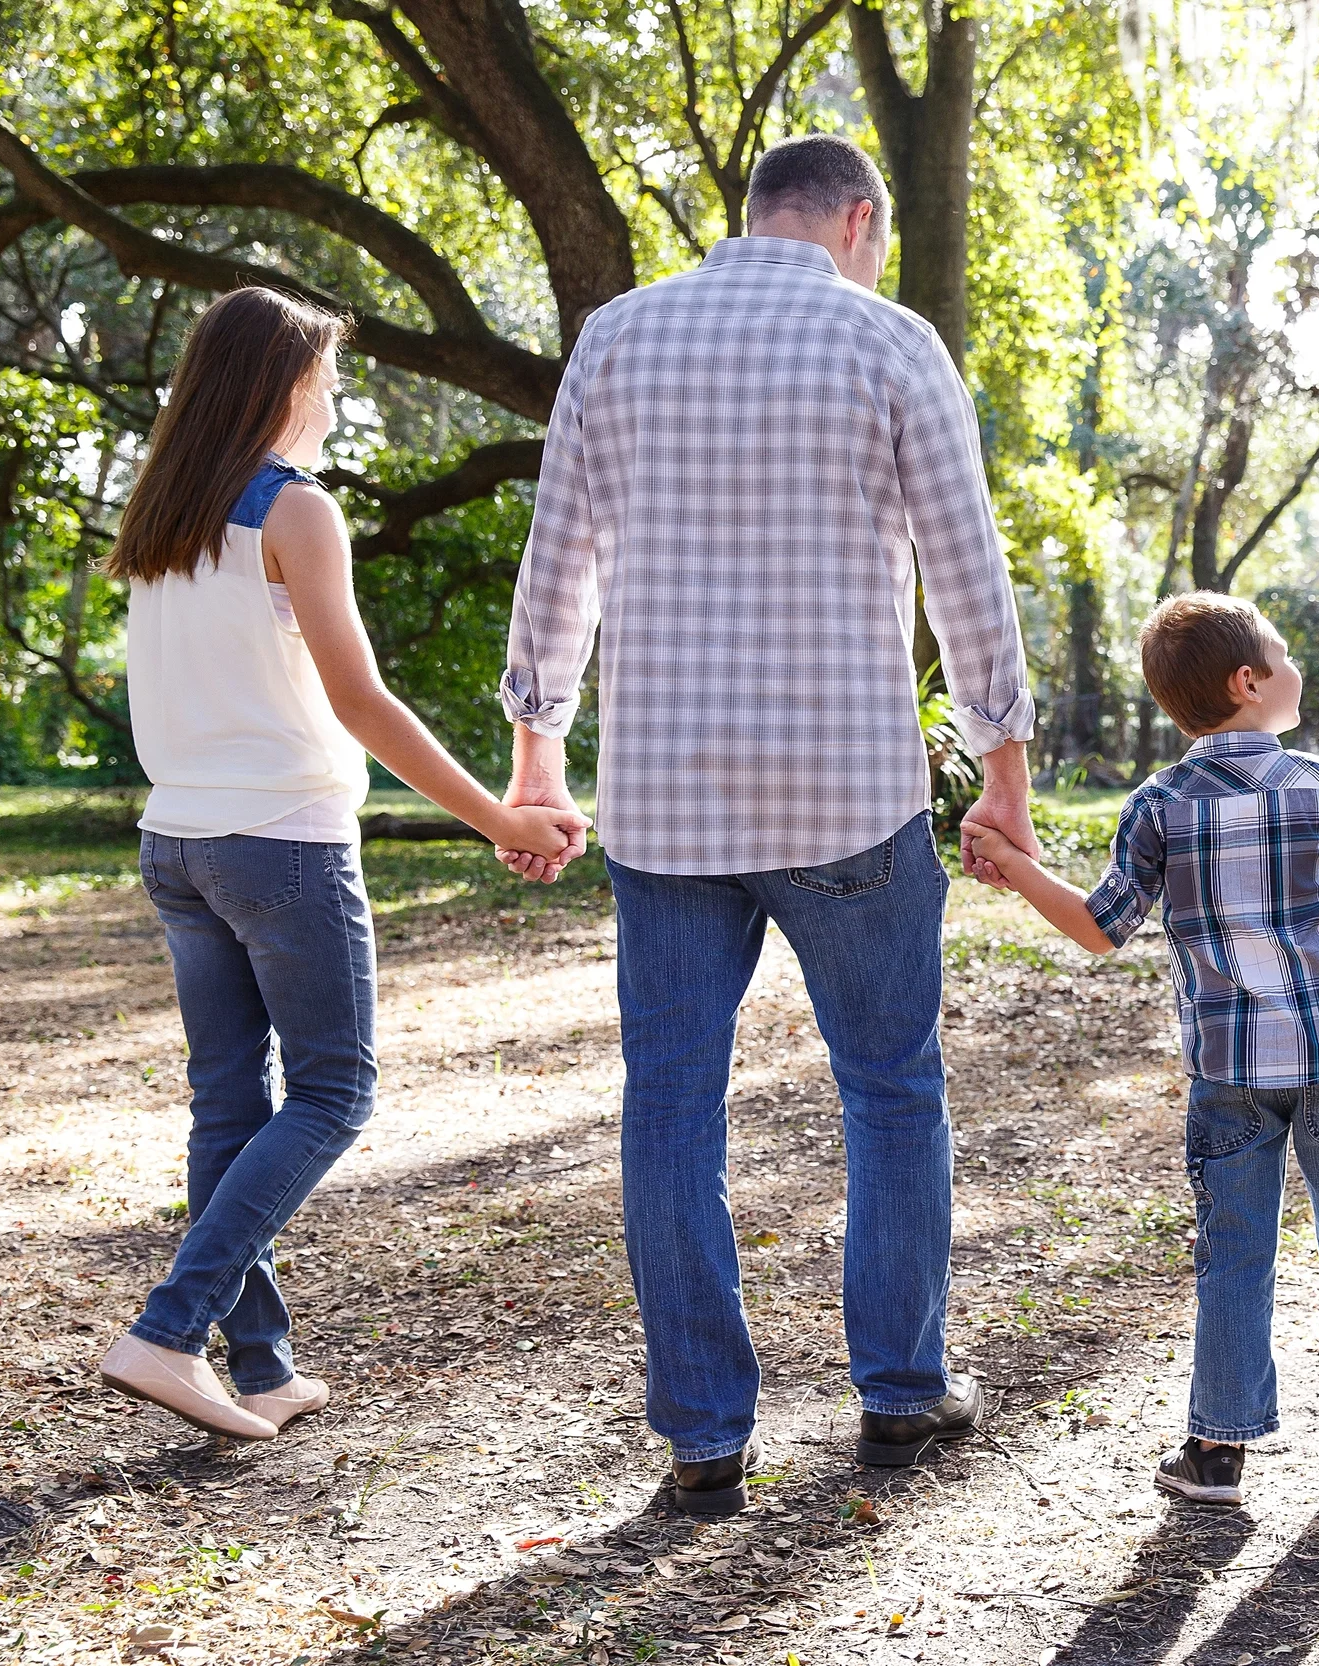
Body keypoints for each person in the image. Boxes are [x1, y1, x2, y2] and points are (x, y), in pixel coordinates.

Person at [496, 134, 1037, 1514]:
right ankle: (903, 1392)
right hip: (849, 796)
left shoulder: (618, 338)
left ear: (753, 216)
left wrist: (538, 755)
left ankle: (703, 1431)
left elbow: (558, 560)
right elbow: (968, 576)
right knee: (892, 1088)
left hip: (668, 806)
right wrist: (1006, 775)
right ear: (859, 219)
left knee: (671, 1108)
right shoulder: (891, 341)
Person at [100, 287, 587, 1440]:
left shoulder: (165, 508)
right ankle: (170, 1331)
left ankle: (258, 1364)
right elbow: (358, 698)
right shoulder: (295, 511)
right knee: (332, 1092)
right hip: (279, 842)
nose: (335, 395)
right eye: (325, 374)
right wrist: (497, 817)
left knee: (230, 1104)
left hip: (179, 841)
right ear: (280, 385)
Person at [966, 593, 1319, 1505]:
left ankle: (1217, 1449)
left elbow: (1098, 928)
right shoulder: (1316, 783)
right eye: (1284, 657)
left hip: (1228, 1070)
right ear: (1249, 683)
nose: (1296, 671)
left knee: (1232, 1252)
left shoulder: (1158, 805)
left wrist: (1017, 865)